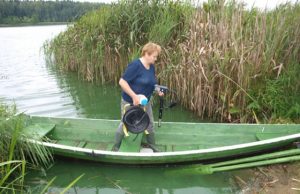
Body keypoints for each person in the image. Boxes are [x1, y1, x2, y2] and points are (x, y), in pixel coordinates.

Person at [112, 42, 164, 152]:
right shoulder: (135, 65)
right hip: (130, 101)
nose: (156, 59)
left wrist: (158, 89)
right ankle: (116, 146)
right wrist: (134, 96)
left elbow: (151, 83)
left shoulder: (151, 67)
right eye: (154, 56)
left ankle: (152, 145)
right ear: (146, 54)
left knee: (149, 123)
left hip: (145, 102)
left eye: (156, 57)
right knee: (125, 124)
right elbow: (122, 82)